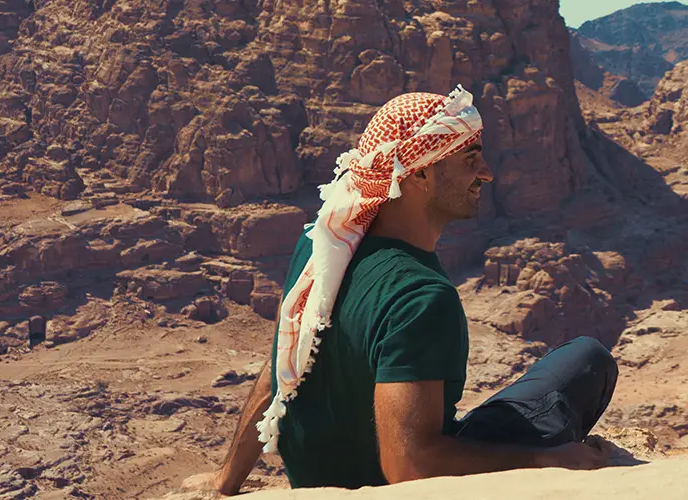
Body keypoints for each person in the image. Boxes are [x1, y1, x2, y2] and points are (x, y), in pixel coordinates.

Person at [209, 87, 618, 494]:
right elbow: (410, 466)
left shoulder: (322, 245)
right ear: (420, 172)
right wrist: (545, 460)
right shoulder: (420, 298)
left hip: (315, 480)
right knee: (587, 361)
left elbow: (277, 371)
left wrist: (225, 482)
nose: (488, 173)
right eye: (470, 160)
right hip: (389, 484)